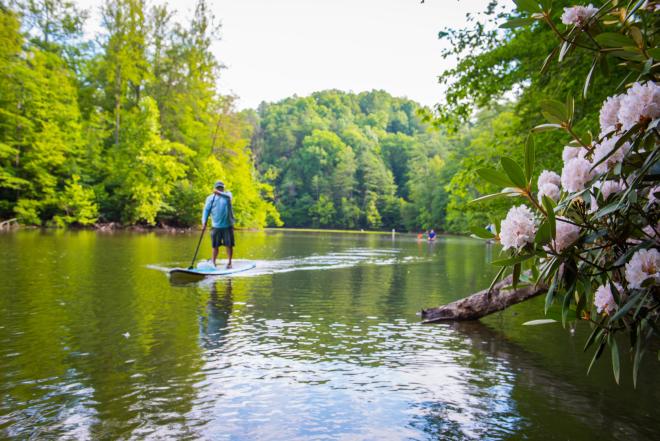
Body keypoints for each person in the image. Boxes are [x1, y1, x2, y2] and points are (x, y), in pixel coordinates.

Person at [202, 181, 235, 268]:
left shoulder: (228, 195)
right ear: (215, 188)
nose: (220, 189)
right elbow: (206, 210)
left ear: (223, 188)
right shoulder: (210, 198)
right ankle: (213, 262)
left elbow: (228, 197)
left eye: (221, 187)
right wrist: (204, 221)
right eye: (218, 187)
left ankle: (229, 262)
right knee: (215, 246)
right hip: (215, 226)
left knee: (229, 245)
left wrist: (219, 193)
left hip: (227, 225)